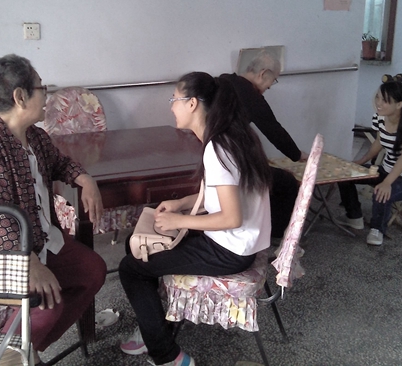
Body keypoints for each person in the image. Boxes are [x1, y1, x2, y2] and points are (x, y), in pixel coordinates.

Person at [0, 54, 107, 365]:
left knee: (93, 271)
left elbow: (60, 163)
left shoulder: (35, 135)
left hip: (40, 240)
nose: (46, 96)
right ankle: (4, 356)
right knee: (47, 304)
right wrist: (28, 262)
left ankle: (26, 351)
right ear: (20, 96)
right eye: (41, 88)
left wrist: (84, 178)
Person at [119, 72, 272, 366]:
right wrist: (181, 204)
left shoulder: (218, 148)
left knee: (131, 268)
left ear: (191, 104)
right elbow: (223, 194)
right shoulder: (232, 136)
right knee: (136, 244)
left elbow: (231, 216)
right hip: (239, 242)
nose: (171, 107)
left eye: (174, 99)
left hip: (229, 250)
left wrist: (179, 221)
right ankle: (153, 325)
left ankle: (168, 355)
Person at [220, 51, 308, 238]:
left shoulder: (224, 80)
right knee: (287, 182)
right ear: (263, 73)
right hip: (228, 162)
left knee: (268, 170)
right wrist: (297, 154)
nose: (269, 87)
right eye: (273, 80)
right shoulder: (250, 94)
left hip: (215, 154)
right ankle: (277, 234)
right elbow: (273, 129)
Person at [337, 81, 402, 246]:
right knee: (345, 175)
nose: (378, 103)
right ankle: (355, 217)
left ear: (399, 104)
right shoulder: (379, 117)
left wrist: (387, 183)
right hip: (385, 170)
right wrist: (359, 162)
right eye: (378, 98)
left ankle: (377, 229)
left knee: (381, 192)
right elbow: (378, 143)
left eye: (385, 100)